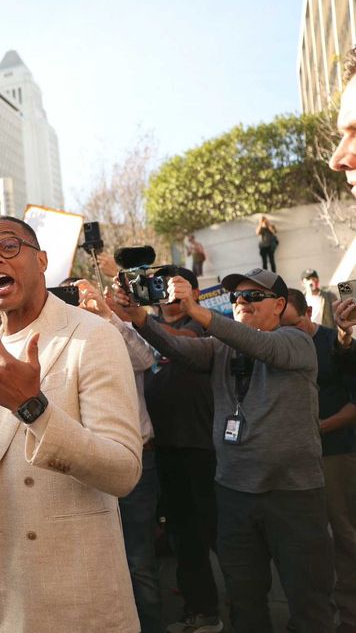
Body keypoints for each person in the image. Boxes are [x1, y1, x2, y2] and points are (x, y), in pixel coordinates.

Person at [0, 216, 143, 633]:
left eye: (8, 247)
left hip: (74, 601)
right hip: (4, 601)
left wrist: (33, 408)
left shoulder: (92, 336)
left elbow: (123, 470)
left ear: (41, 260)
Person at [123, 267, 333, 631]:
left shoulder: (296, 341)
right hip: (234, 493)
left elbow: (261, 346)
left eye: (254, 296)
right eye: (236, 297)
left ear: (279, 305)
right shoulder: (221, 347)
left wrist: (196, 311)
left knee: (309, 601)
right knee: (244, 599)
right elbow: (177, 347)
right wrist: (139, 318)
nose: (242, 302)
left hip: (293, 494)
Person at [75, 279, 161, 633]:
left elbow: (145, 358)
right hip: (87, 468)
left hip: (136, 458)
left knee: (139, 560)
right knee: (100, 561)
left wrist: (106, 314)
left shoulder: (114, 329)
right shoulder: (64, 342)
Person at [140, 271, 220, 633]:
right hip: (164, 450)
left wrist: (138, 321)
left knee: (219, 533)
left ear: (195, 292)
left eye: (172, 284)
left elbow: (180, 342)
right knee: (183, 537)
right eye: (158, 285)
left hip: (203, 447)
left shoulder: (204, 325)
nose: (164, 291)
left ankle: (247, 610)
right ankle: (200, 611)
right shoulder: (143, 327)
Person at [282, 289, 356, 632]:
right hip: (294, 459)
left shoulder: (333, 343)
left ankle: (350, 615)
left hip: (335, 452)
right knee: (305, 541)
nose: (289, 335)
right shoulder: (276, 345)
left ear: (309, 312)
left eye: (294, 325)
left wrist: (320, 427)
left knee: (344, 535)